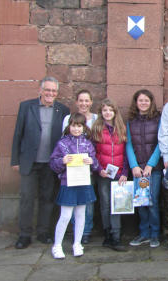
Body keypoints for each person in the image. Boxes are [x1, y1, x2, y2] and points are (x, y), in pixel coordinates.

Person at [11, 76, 70, 249]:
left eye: (54, 91)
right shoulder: (26, 107)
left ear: (57, 93)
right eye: (47, 90)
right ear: (41, 90)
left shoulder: (63, 110)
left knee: (47, 198)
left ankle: (43, 232)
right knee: (27, 198)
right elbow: (17, 135)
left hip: (51, 163)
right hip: (29, 162)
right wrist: (15, 160)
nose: (50, 93)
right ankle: (24, 234)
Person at [49, 113, 99, 259]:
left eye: (79, 126)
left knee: (80, 214)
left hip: (83, 182)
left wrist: (92, 162)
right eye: (73, 126)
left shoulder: (88, 143)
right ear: (69, 126)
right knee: (65, 215)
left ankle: (77, 243)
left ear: (84, 127)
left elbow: (95, 164)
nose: (76, 129)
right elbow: (53, 163)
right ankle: (57, 245)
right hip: (68, 183)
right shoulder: (62, 143)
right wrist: (62, 161)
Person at [126, 89, 163, 248]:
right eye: (140, 100)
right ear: (136, 102)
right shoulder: (130, 120)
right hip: (137, 170)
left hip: (152, 169)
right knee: (140, 202)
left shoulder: (158, 119)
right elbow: (128, 144)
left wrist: (151, 164)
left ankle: (155, 233)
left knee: (152, 202)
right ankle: (144, 233)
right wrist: (134, 165)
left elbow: (161, 143)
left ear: (151, 102)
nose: (143, 103)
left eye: (146, 100)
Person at [92, 99, 129, 251]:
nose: (108, 113)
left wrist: (125, 173)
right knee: (105, 204)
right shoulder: (97, 129)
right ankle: (107, 234)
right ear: (101, 113)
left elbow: (126, 153)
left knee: (117, 205)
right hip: (103, 173)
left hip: (119, 174)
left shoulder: (121, 129)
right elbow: (92, 152)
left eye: (110, 110)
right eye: (105, 110)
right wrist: (98, 168)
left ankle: (116, 235)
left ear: (115, 112)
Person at [62, 90, 98, 244]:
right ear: (76, 102)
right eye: (81, 101)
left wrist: (93, 161)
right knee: (73, 200)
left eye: (87, 101)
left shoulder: (96, 118)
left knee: (87, 201)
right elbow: (63, 141)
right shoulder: (68, 119)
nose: (84, 104)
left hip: (90, 165)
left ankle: (86, 231)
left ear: (91, 102)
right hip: (73, 167)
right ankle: (76, 230)